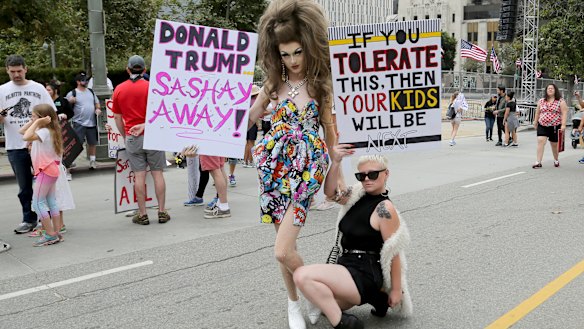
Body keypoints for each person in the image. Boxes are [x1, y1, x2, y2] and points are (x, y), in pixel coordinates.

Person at [248, 1, 336, 328]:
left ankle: (314, 295)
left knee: (283, 250)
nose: (293, 60)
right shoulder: (272, 85)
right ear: (276, 53)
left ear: (309, 46)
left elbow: (329, 133)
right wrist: (201, 137)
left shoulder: (319, 85)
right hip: (273, 172)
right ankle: (294, 303)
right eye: (285, 54)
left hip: (304, 176)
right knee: (285, 246)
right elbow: (247, 119)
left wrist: (334, 176)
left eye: (298, 52)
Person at [294, 149, 412, 329]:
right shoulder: (357, 194)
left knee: (301, 276)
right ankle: (378, 299)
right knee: (324, 303)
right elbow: (330, 194)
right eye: (361, 176)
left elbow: (393, 251)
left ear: (386, 173)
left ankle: (344, 324)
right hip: (346, 265)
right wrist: (335, 162)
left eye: (372, 174)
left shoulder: (385, 209)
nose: (366, 180)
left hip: (365, 271)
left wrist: (396, 290)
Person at [0, 55, 56, 234]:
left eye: (19, 71)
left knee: (44, 184)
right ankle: (28, 218)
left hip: (38, 145)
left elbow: (51, 113)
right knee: (24, 186)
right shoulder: (2, 90)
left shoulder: (37, 88)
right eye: (12, 72)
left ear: (26, 69)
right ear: (7, 71)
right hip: (15, 145)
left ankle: (46, 219)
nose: (16, 74)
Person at [111, 55, 171, 225]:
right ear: (144, 70)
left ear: (127, 69)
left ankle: (143, 213)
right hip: (152, 135)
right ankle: (161, 211)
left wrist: (125, 135)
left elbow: (116, 117)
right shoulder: (153, 87)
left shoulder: (119, 89)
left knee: (139, 176)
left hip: (132, 136)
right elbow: (161, 113)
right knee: (157, 173)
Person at [20, 104, 63, 246]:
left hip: (45, 170)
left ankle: (50, 235)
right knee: (51, 201)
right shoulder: (48, 130)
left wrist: (38, 122)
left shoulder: (44, 131)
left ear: (42, 118)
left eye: (33, 115)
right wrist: (35, 121)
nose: (31, 118)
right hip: (50, 170)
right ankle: (56, 232)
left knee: (37, 203)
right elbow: (22, 131)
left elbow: (25, 136)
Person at [66, 72, 101, 169]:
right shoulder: (73, 93)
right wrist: (70, 101)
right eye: (83, 80)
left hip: (92, 122)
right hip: (79, 122)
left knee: (92, 143)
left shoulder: (91, 91)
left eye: (86, 80)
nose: (85, 82)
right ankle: (71, 161)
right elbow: (66, 107)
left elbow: (96, 103)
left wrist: (98, 109)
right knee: (77, 143)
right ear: (78, 82)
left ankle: (92, 161)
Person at [532, 83, 568, 169]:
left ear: (555, 90)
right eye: (548, 88)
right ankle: (538, 161)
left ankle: (556, 159)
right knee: (541, 141)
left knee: (554, 144)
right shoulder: (541, 101)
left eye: (552, 88)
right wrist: (535, 121)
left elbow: (564, 112)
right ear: (546, 90)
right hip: (542, 124)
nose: (550, 90)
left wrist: (563, 125)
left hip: (555, 125)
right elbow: (537, 112)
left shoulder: (560, 101)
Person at [46, 80, 74, 180]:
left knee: (65, 150)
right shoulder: (45, 102)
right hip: (49, 129)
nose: (47, 92)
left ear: (55, 91)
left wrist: (65, 115)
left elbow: (71, 113)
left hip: (62, 128)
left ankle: (68, 171)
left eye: (49, 90)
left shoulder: (63, 101)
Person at [243, 85, 261, 168]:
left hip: (245, 123)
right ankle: (250, 161)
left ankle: (245, 160)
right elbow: (256, 115)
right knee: (252, 143)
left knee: (247, 143)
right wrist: (258, 124)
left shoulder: (247, 101)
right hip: (252, 124)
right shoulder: (255, 102)